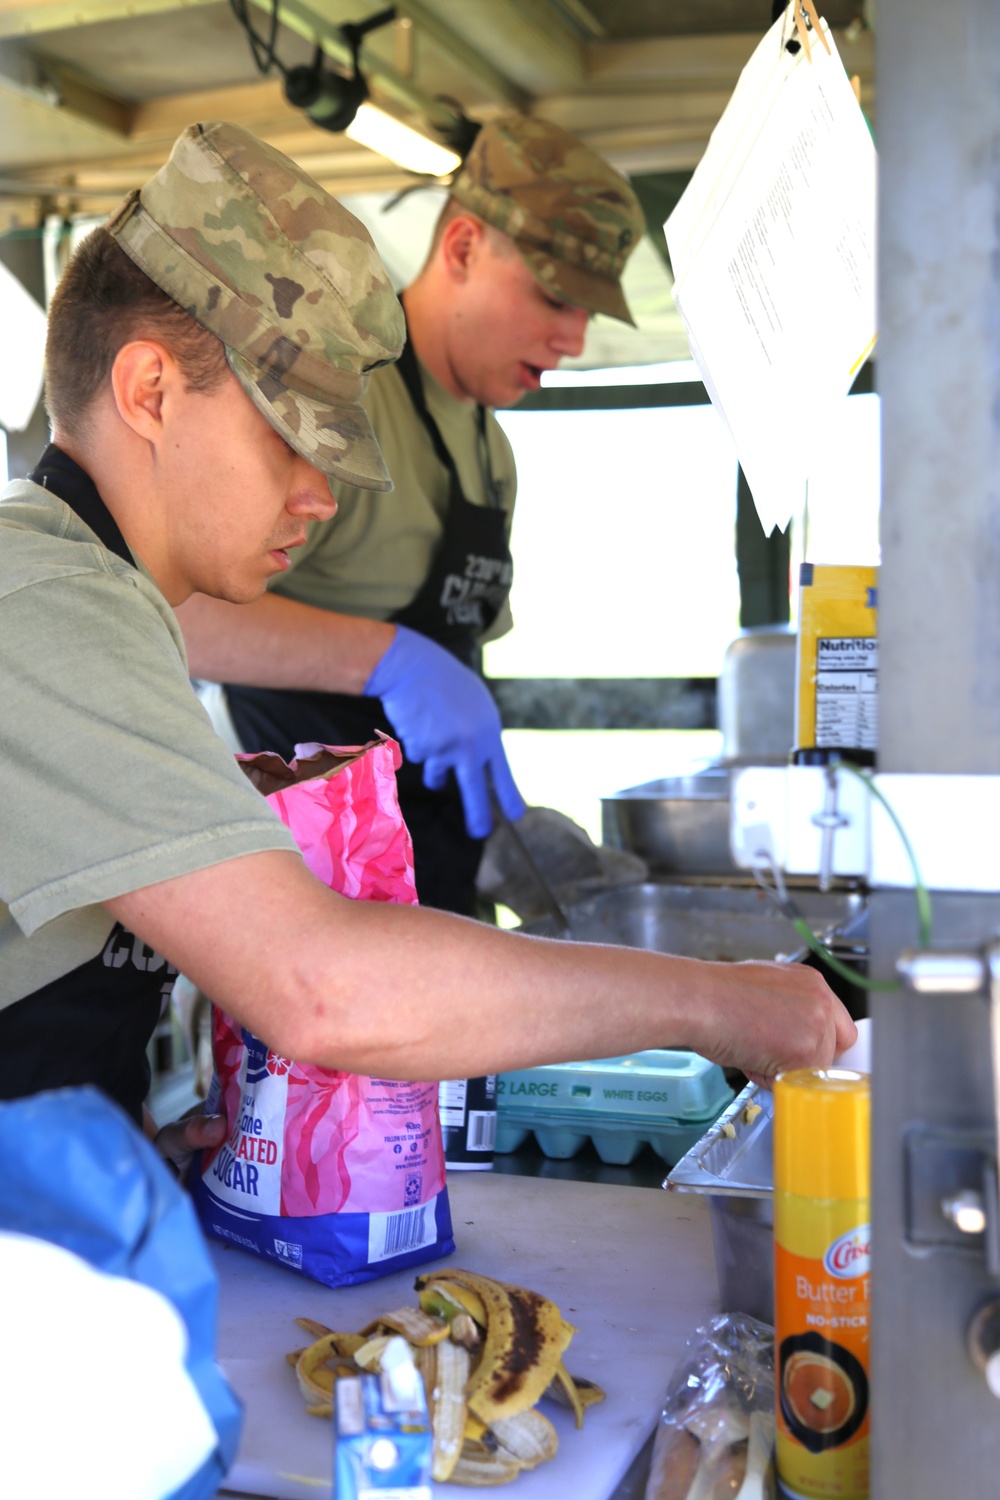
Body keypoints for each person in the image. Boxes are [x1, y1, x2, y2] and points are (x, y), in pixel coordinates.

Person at [0, 120, 855, 1138]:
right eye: (292, 437)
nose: (320, 498)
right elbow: (320, 989)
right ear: (149, 391)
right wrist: (721, 1004)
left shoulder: (96, 596)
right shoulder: (48, 599)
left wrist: (133, 1151)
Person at [175, 114, 647, 915]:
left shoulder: (493, 452)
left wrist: (503, 830)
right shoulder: (333, 405)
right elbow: (177, 618)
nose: (574, 338)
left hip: (439, 890)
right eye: (556, 298)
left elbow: (457, 681)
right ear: (462, 248)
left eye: (589, 313)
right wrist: (387, 659)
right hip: (303, 892)